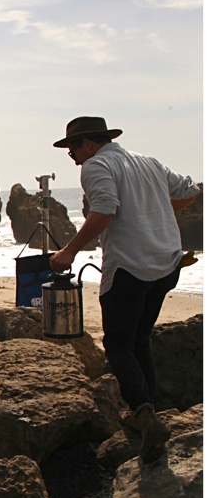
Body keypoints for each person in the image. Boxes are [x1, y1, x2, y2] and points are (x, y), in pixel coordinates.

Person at [49, 116, 199, 464]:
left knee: (117, 344)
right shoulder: (149, 162)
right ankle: (146, 411)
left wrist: (69, 251)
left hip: (130, 267)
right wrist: (156, 211)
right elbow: (191, 190)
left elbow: (104, 210)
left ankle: (144, 415)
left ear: (88, 143)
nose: (73, 158)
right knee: (139, 339)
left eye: (72, 149)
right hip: (167, 265)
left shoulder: (97, 165)